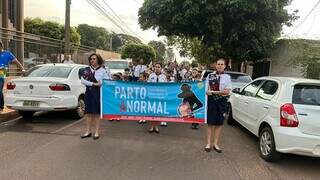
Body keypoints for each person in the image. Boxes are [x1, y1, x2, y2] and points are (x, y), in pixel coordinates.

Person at [80, 53, 110, 140]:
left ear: (98, 60)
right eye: (91, 59)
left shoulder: (103, 70)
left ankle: (96, 132)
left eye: (94, 59)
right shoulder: (86, 70)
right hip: (89, 92)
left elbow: (107, 81)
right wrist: (94, 83)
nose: (92, 60)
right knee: (88, 113)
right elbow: (83, 80)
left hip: (98, 93)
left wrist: (101, 83)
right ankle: (88, 131)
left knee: (96, 113)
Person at [205, 59, 231, 153]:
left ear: (224, 66)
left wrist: (214, 92)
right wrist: (209, 92)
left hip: (221, 102)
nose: (220, 65)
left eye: (222, 64)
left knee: (219, 123)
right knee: (210, 123)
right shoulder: (210, 76)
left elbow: (227, 91)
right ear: (216, 65)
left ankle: (215, 144)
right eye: (218, 64)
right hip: (211, 101)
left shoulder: (227, 77)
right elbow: (206, 89)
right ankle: (208, 143)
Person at [0, 42, 25, 113]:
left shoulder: (7, 54)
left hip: (1, 74)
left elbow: (16, 61)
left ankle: (1, 107)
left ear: (1, 46)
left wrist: (22, 69)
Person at [147, 62, 167, 133]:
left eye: (159, 67)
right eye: (156, 67)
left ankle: (156, 126)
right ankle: (152, 126)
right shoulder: (151, 75)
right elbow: (148, 85)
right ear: (154, 67)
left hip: (160, 96)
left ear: (161, 68)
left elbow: (166, 87)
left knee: (158, 112)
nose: (157, 68)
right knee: (152, 111)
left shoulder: (164, 76)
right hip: (152, 96)